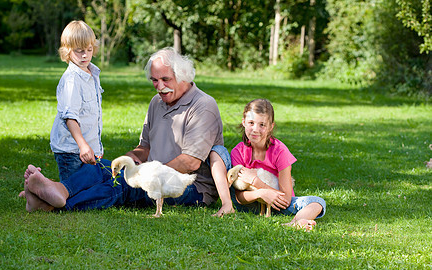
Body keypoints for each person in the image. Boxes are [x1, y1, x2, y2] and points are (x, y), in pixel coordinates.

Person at [20, 47, 234, 216]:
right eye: (154, 80)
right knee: (101, 167)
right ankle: (59, 191)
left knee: (126, 184)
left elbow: (190, 163)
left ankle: (57, 206)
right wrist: (127, 159)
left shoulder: (203, 105)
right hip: (155, 172)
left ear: (183, 76)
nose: (159, 87)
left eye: (165, 80)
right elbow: (144, 148)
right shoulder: (157, 102)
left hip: (190, 186)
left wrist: (146, 173)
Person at [230, 99, 326, 231]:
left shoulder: (280, 151)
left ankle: (297, 222)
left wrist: (257, 183)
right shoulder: (238, 152)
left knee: (317, 202)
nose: (255, 129)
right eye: (251, 123)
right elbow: (239, 197)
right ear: (244, 122)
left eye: (262, 125)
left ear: (271, 127)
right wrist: (260, 194)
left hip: (278, 204)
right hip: (250, 203)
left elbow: (286, 199)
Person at [50, 20, 104, 181]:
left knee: (91, 188)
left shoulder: (92, 73)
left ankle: (44, 189)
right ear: (67, 51)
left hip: (88, 149)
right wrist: (83, 145)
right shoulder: (72, 80)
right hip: (71, 151)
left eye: (89, 49)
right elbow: (70, 117)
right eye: (79, 51)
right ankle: (38, 191)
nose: (85, 55)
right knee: (74, 197)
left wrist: (94, 147)